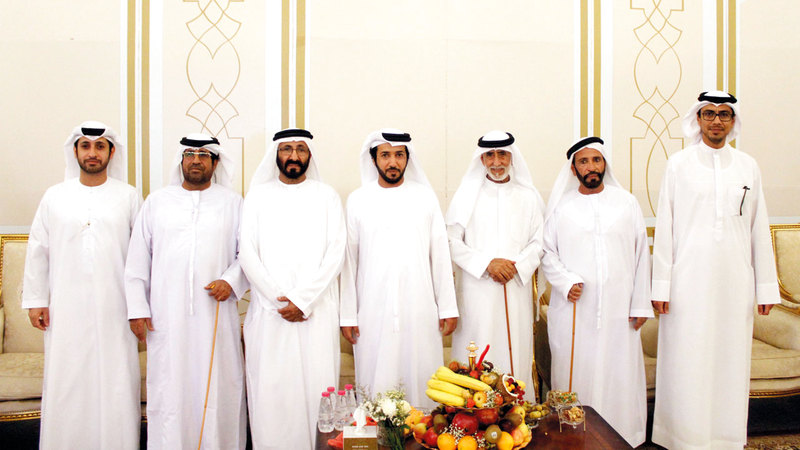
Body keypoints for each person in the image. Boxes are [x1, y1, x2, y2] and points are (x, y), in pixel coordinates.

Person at [651, 91, 779, 448]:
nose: (717, 121)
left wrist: (765, 288)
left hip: (735, 283)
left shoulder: (748, 166)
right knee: (687, 358)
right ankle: (682, 437)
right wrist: (661, 286)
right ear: (698, 119)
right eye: (709, 114)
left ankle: (725, 438)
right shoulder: (678, 164)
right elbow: (666, 227)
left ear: (733, 121)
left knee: (729, 360)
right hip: (686, 282)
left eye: (724, 114)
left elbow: (758, 227)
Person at [22, 121, 141, 449]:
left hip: (115, 308)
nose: (92, 153)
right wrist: (36, 300)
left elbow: (142, 255)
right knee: (68, 380)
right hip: (65, 309)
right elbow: (38, 249)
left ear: (111, 152)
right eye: (85, 146)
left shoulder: (128, 196)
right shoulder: (55, 196)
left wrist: (139, 307)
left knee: (115, 380)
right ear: (74, 151)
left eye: (100, 146)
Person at [125, 134, 248, 449]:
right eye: (190, 154)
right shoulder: (156, 202)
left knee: (219, 386)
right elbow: (137, 260)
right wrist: (137, 310)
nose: (196, 160)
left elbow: (247, 254)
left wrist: (230, 281)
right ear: (181, 161)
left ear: (215, 163)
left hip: (216, 317)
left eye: (204, 155)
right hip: (166, 317)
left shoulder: (233, 203)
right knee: (169, 389)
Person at [540, 137, 652, 447]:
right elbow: (546, 252)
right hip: (575, 311)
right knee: (578, 373)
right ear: (574, 169)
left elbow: (642, 255)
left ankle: (624, 437)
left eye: (596, 160)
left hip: (619, 310)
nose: (591, 167)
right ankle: (574, 438)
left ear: (604, 164)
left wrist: (640, 304)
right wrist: (565, 281)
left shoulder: (626, 203)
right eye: (584, 161)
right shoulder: (561, 207)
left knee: (619, 373)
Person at [238, 128, 346, 449]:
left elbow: (335, 253)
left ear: (310, 155)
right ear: (277, 154)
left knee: (317, 391)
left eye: (301, 149)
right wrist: (279, 300)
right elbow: (247, 253)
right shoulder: (257, 196)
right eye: (287, 149)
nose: (294, 156)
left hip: (316, 313)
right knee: (272, 395)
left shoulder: (327, 196)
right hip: (270, 315)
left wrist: (303, 301)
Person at [340, 128, 459, 408]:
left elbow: (440, 255)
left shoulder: (425, 197)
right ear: (374, 160)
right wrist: (347, 315)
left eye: (398, 155)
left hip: (419, 308)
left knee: (422, 381)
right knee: (376, 383)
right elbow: (349, 262)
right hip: (372, 310)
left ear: (408, 158)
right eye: (385, 155)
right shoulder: (358, 200)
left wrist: (447, 307)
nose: (392, 162)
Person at [445, 130, 544, 395]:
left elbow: (539, 242)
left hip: (515, 289)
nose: (496, 161)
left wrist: (516, 266)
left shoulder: (528, 196)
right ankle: (473, 414)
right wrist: (487, 264)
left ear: (512, 157)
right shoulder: (466, 196)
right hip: (477, 293)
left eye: (502, 154)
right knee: (476, 353)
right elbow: (451, 242)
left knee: (516, 354)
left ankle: (518, 412)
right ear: (481, 159)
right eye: (490, 155)